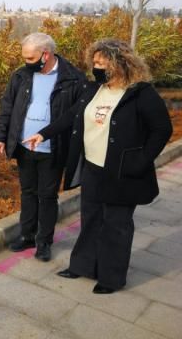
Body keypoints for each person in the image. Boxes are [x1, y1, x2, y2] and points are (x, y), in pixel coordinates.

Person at [24, 38, 172, 293]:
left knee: (116, 225)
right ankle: (82, 266)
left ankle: (111, 278)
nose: (97, 68)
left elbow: (162, 130)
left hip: (122, 172)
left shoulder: (141, 93)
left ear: (120, 64)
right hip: (92, 167)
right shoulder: (94, 89)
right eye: (95, 63)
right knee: (90, 219)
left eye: (102, 64)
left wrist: (141, 160)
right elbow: (71, 116)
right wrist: (44, 134)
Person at [0, 33, 85, 261]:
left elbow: (78, 116)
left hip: (52, 149)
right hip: (25, 147)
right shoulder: (22, 76)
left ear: (46, 54)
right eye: (24, 57)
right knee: (27, 192)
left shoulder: (73, 79)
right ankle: (27, 235)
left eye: (30, 57)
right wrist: (0, 137)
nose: (26, 62)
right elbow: (7, 107)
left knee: (47, 196)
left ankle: (44, 241)